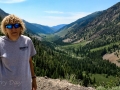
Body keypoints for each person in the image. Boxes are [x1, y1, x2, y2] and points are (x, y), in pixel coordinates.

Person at [0, 14, 37, 90]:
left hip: (25, 86)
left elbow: (29, 61)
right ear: (5, 29)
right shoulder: (0, 43)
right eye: (9, 26)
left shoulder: (27, 41)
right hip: (6, 86)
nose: (13, 29)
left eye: (16, 25)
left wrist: (33, 79)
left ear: (21, 27)